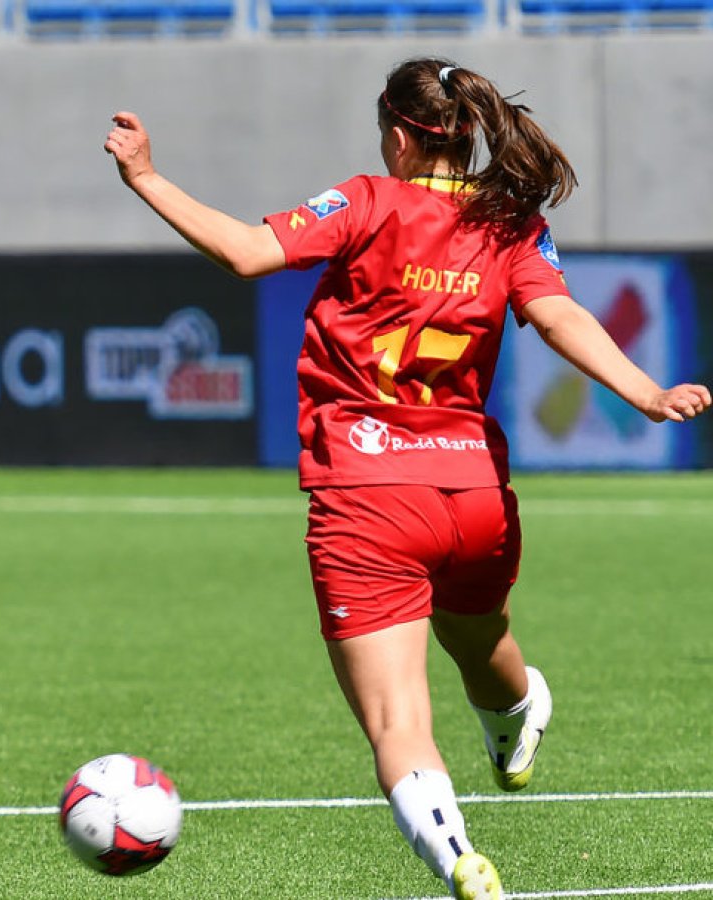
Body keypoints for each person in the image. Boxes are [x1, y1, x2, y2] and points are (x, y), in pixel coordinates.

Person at [104, 58, 709, 899]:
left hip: (367, 494)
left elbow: (247, 253)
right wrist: (646, 391)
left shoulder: (367, 200)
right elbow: (559, 312)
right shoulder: (510, 222)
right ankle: (517, 714)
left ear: (396, 132)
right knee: (477, 638)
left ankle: (457, 853)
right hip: (473, 497)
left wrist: (145, 177)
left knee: (397, 719)